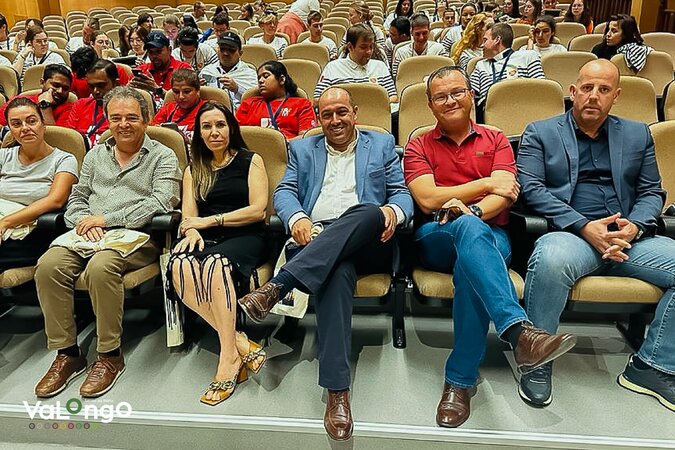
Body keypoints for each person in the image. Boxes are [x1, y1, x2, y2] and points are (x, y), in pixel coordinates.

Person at [403, 65, 576, 428]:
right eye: (440, 96)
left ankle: (460, 380)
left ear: (471, 95)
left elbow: (506, 194)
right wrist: (483, 184)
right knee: (468, 233)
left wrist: (473, 210)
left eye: (457, 92)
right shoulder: (419, 144)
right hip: (436, 235)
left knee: (472, 262)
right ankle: (518, 332)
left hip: (489, 233)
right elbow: (428, 199)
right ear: (430, 105)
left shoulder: (495, 138)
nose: (450, 101)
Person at [238, 86, 414, 441]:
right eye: (327, 114)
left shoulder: (381, 144)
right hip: (317, 238)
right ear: (318, 118)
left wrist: (393, 212)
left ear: (355, 113)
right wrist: (298, 217)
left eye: (342, 112)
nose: (335, 120)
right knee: (336, 271)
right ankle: (337, 392)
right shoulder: (303, 148)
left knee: (367, 211)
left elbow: (401, 193)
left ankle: (279, 286)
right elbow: (284, 192)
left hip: (370, 239)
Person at [516, 59, 675, 413]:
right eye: (587, 88)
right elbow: (531, 189)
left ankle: (652, 366)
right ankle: (537, 359)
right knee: (550, 260)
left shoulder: (637, 134)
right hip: (572, 234)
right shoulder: (541, 132)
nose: (593, 96)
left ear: (616, 96)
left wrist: (635, 226)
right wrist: (584, 226)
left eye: (603, 90)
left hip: (628, 239)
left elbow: (652, 192)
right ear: (573, 91)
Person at [33, 86, 181, 399]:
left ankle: (109, 355)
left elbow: (162, 201)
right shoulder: (95, 154)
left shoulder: (163, 156)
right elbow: (78, 197)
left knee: (101, 267)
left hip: (136, 237)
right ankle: (67, 353)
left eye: (131, 117)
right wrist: (83, 222)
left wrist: (107, 220)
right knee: (48, 265)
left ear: (146, 119)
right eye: (116, 118)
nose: (123, 124)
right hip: (88, 233)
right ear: (107, 120)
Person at [167, 101, 268, 405]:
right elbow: (189, 217)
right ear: (198, 133)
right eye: (207, 127)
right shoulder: (194, 169)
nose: (214, 132)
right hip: (207, 237)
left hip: (246, 236)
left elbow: (258, 210)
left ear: (231, 128)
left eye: (220, 125)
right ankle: (238, 343)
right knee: (179, 264)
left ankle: (227, 359)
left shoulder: (251, 160)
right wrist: (192, 232)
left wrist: (209, 222)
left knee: (214, 264)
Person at [0, 97, 78, 272]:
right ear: (10, 130)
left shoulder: (64, 159)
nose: (25, 128)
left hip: (35, 232)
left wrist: (5, 222)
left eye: (31, 121)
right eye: (16, 124)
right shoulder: (3, 156)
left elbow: (55, 200)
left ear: (43, 124)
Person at [315, 24, 397, 102]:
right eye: (363, 47)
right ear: (350, 47)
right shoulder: (332, 67)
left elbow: (393, 97)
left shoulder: (380, 66)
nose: (369, 51)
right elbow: (317, 99)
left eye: (371, 46)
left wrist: (371, 106)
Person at [469, 22, 544, 107]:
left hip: (525, 107)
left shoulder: (528, 56)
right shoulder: (480, 65)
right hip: (491, 111)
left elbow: (541, 89)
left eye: (485, 40)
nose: (482, 45)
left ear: (497, 40)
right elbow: (470, 96)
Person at [236, 60, 316, 139]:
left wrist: (281, 144)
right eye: (259, 78)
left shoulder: (302, 104)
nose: (260, 81)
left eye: (266, 76)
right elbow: (235, 134)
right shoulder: (248, 104)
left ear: (281, 79)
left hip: (289, 146)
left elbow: (306, 137)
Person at [66, 59, 120, 147]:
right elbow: (69, 138)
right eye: (91, 86)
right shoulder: (80, 104)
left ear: (116, 84)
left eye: (101, 86)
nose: (95, 91)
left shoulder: (127, 110)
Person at [0, 64, 73, 127]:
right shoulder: (19, 100)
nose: (60, 91)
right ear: (42, 83)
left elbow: (53, 136)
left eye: (65, 89)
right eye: (55, 85)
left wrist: (45, 105)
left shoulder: (69, 110)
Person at [199, 32, 257, 111]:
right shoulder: (207, 71)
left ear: (240, 53)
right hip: (210, 113)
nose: (225, 53)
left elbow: (255, 102)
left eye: (231, 50)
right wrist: (197, 89)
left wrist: (237, 89)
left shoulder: (249, 74)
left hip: (239, 114)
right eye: (222, 49)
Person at [131, 31, 192, 99]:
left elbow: (186, 100)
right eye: (150, 52)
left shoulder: (183, 69)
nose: (154, 56)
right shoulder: (141, 70)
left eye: (158, 51)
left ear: (169, 50)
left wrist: (157, 90)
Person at [153, 69, 206, 141]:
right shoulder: (167, 108)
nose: (181, 97)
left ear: (198, 91)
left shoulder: (209, 110)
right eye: (176, 92)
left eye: (187, 92)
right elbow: (153, 132)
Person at [392, 13, 448, 78]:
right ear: (411, 32)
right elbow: (397, 78)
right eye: (417, 34)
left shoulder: (439, 49)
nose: (421, 38)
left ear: (429, 31)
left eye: (424, 33)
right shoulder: (401, 53)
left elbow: (446, 75)